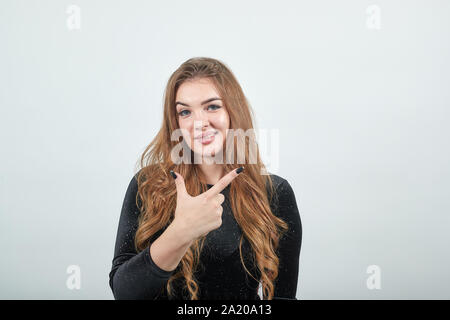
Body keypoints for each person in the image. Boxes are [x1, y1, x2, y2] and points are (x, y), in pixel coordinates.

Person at [109, 57, 302, 300]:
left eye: (212, 106)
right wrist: (180, 232)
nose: (199, 123)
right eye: (185, 111)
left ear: (234, 111)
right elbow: (124, 293)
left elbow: (283, 296)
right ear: (175, 121)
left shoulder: (275, 192)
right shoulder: (148, 185)